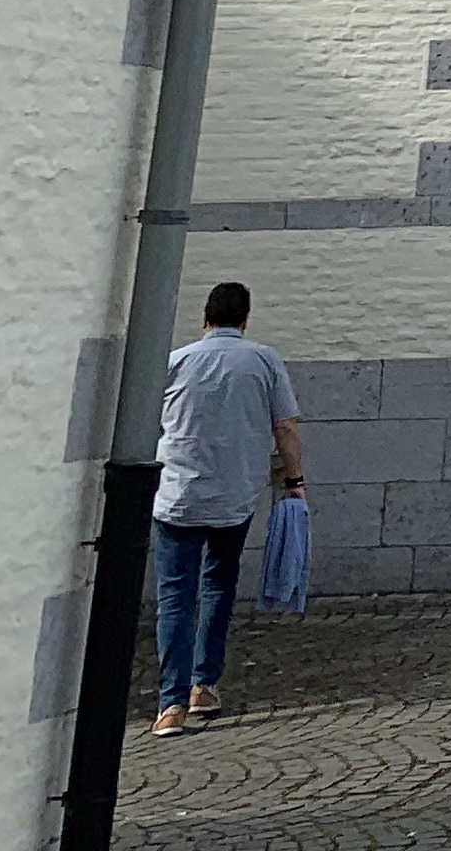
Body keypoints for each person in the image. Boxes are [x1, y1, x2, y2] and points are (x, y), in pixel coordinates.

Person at [151, 282, 302, 733]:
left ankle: (170, 706)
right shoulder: (264, 361)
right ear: (245, 319)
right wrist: (294, 482)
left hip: (178, 496)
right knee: (218, 584)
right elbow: (285, 428)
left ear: (205, 319)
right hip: (234, 498)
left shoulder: (177, 361)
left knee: (174, 598)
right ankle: (204, 685)